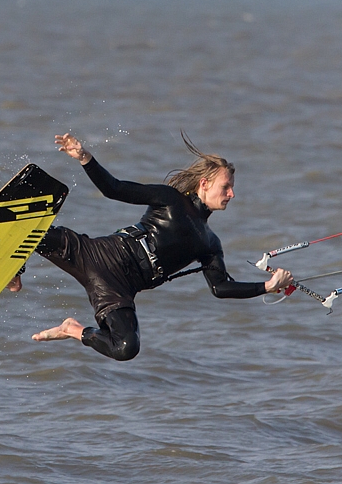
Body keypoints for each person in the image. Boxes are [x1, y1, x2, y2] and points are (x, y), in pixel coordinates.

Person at [22, 132, 293, 361]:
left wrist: (266, 287)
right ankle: (15, 267)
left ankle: (73, 329)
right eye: (226, 187)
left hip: (119, 289)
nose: (232, 194)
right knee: (34, 234)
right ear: (205, 183)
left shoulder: (210, 243)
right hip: (100, 255)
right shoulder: (170, 199)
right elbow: (114, 188)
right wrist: (85, 158)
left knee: (126, 348)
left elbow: (220, 288)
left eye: (232, 188)